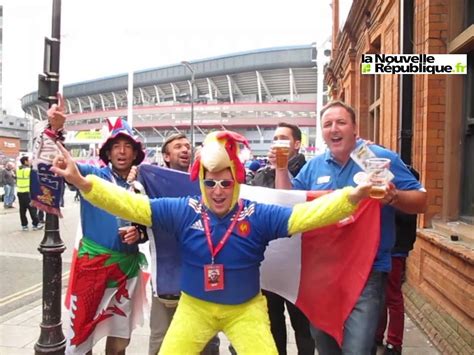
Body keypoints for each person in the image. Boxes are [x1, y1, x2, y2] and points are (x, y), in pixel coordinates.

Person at [51, 129, 372, 355]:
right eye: (210, 182)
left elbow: (306, 215)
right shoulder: (183, 210)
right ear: (201, 182)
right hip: (194, 309)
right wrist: (82, 181)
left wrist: (352, 197)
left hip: (245, 311)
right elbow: (130, 205)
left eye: (225, 181)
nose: (218, 190)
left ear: (236, 180)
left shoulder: (257, 214)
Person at [275, 100, 427, 355]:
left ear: (355, 128)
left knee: (357, 349)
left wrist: (394, 197)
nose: (334, 128)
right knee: (326, 348)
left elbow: (421, 201)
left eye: (341, 122)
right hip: (321, 274)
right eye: (327, 124)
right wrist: (281, 167)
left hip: (366, 272)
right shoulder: (315, 166)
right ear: (322, 132)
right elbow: (288, 202)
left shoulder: (376, 158)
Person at [46, 94, 147, 355]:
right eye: (116, 146)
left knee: (120, 336)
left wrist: (139, 233)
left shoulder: (142, 185)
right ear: (108, 152)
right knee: (80, 336)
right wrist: (56, 131)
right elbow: (61, 163)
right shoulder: (94, 176)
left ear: (135, 153)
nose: (122, 151)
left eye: (127, 146)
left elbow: (152, 223)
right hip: (92, 268)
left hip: (127, 270)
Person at [147, 133, 220, 355]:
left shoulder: (206, 182)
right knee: (162, 336)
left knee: (207, 339)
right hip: (167, 278)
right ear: (166, 156)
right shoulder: (149, 181)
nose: (185, 149)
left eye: (187, 146)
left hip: (202, 277)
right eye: (178, 146)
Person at [250, 122, 315, 355]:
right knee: (273, 324)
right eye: (274, 138)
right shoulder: (261, 175)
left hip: (299, 264)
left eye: (283, 138)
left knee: (303, 327)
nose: (277, 142)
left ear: (297, 144)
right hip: (271, 262)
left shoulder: (307, 172)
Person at [375, 166, 420, 355]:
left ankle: (394, 343)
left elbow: (405, 221)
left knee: (392, 297)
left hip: (395, 251)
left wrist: (392, 200)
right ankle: (377, 335)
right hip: (385, 249)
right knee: (380, 297)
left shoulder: (407, 194)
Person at [16, 156, 43, 231]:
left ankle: (24, 225)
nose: (30, 161)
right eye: (29, 160)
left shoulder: (18, 169)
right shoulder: (29, 170)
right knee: (32, 209)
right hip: (28, 192)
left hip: (20, 192)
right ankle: (36, 224)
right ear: (25, 161)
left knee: (22, 209)